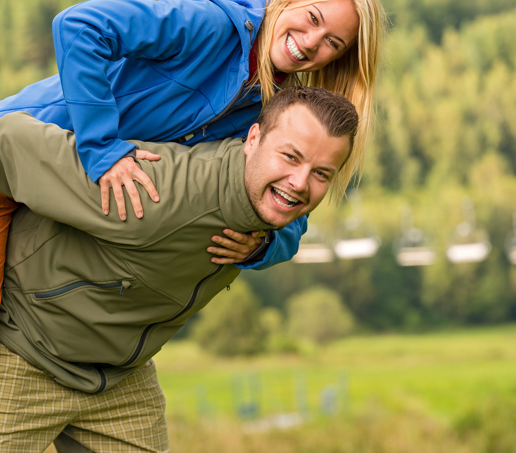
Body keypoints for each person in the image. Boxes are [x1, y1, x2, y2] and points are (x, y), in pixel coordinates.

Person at [0, 86, 358, 452]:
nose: (299, 183)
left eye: (321, 174)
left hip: (120, 378)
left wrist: (265, 245)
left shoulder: (262, 217)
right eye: (290, 157)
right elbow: (7, 140)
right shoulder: (156, 190)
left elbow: (292, 229)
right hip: (24, 351)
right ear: (253, 139)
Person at [0, 0, 385, 299]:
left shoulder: (277, 106)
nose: (311, 42)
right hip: (17, 159)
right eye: (313, 18)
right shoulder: (210, 25)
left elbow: (294, 202)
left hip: (56, 198)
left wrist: (264, 243)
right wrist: (103, 149)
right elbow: (79, 26)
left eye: (333, 43)